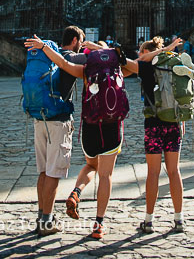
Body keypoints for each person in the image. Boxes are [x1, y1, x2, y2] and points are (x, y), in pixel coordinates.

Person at [24, 33, 132, 240]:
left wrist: (44, 47)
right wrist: (105, 51)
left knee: (90, 165)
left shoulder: (85, 71)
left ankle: (75, 192)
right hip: (112, 126)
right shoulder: (118, 69)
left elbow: (63, 63)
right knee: (106, 175)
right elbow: (133, 65)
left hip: (90, 126)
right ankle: (99, 224)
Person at [26, 26, 87, 236]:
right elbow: (103, 58)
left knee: (44, 171)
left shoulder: (47, 56)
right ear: (74, 40)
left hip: (40, 118)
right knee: (53, 172)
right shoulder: (72, 57)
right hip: (58, 121)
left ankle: (41, 216)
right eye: (81, 42)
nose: (82, 46)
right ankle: (47, 221)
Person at [124, 36, 187, 233]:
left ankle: (149, 220)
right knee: (174, 171)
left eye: (141, 51)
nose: (139, 54)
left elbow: (128, 62)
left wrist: (152, 54)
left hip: (153, 124)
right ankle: (179, 219)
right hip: (173, 123)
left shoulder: (145, 67)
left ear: (147, 53)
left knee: (153, 172)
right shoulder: (172, 66)